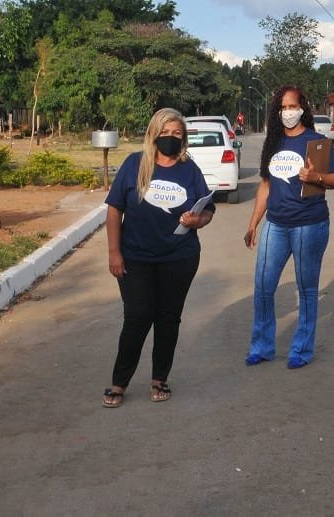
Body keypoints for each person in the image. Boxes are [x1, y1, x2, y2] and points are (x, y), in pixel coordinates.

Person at [102, 108, 215, 408]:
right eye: (165, 133)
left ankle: (159, 378)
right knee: (137, 316)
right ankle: (119, 382)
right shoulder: (134, 165)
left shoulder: (189, 170)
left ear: (184, 138)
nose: (170, 139)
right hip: (135, 257)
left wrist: (197, 221)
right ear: (153, 134)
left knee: (168, 318)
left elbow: (208, 211)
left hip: (180, 257)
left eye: (176, 134)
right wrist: (114, 252)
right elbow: (114, 210)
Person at [243, 86, 334, 369]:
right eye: (283, 108)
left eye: (292, 107)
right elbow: (265, 186)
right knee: (263, 286)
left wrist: (317, 176)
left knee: (307, 289)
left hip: (309, 225)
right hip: (275, 225)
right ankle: (262, 347)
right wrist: (253, 224)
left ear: (303, 108)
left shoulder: (317, 142)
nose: (288, 113)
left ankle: (301, 349)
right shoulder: (273, 143)